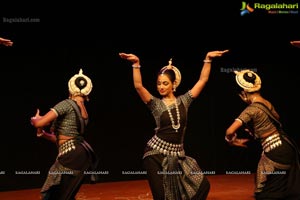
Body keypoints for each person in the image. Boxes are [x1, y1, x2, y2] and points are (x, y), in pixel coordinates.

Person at [119, 49, 229, 200]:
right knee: (162, 196)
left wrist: (208, 59)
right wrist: (136, 64)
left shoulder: (184, 101)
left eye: (165, 83)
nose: (161, 87)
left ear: (173, 84)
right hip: (155, 155)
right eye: (158, 84)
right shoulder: (155, 104)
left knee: (202, 186)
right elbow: (138, 86)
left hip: (177, 156)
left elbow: (202, 80)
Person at [225, 69, 300, 200]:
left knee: (265, 193)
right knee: (282, 188)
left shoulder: (251, 110)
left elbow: (230, 131)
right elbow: (276, 119)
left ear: (243, 93)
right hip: (286, 146)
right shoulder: (267, 103)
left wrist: (231, 140)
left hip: (275, 151)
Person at [30, 69, 98, 200]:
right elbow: (62, 138)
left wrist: (35, 120)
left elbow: (39, 123)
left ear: (70, 89)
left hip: (71, 155)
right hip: (81, 155)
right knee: (65, 196)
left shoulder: (66, 104)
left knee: (52, 195)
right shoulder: (84, 111)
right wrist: (43, 134)